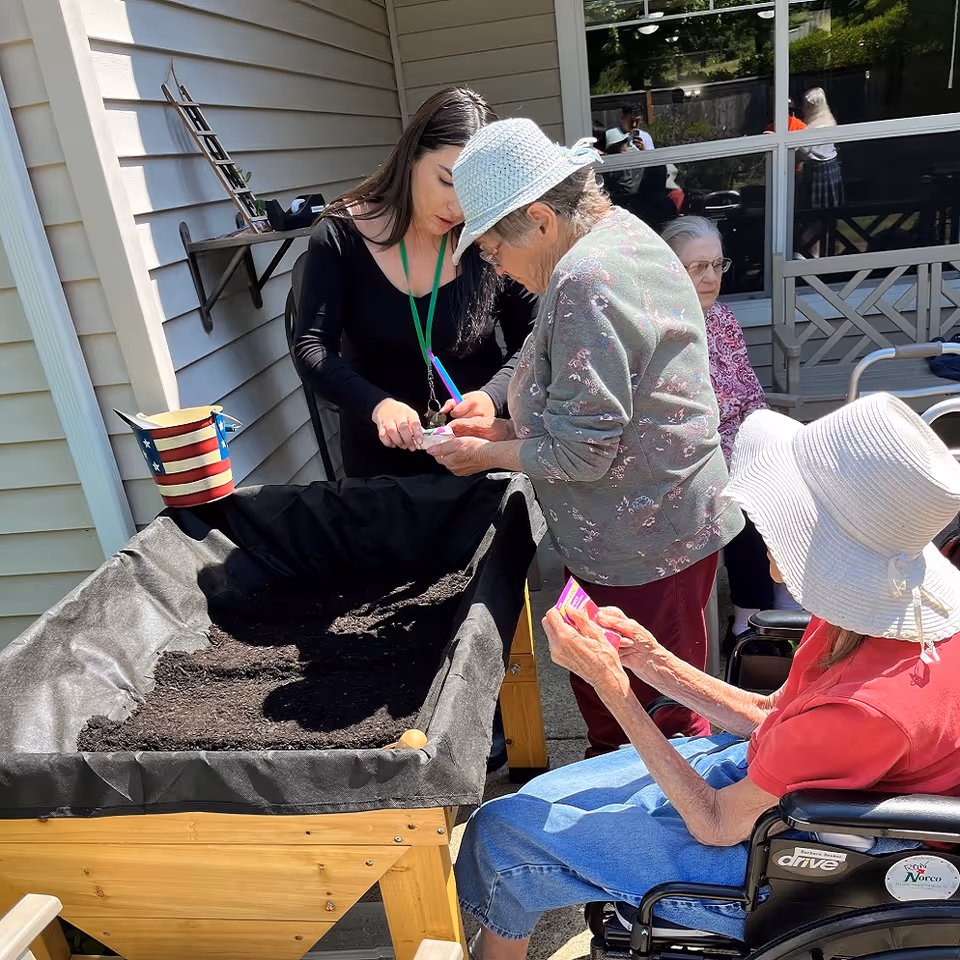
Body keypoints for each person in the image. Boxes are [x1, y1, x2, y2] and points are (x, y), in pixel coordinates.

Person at [456, 392, 960, 959]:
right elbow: (776, 717)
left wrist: (615, 692)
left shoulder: (869, 708)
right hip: (797, 789)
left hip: (809, 865)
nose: (761, 527)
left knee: (502, 834)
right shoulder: (881, 607)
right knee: (540, 799)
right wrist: (653, 661)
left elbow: (718, 825)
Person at [429, 118, 744, 754]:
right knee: (640, 693)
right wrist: (496, 409)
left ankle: (659, 840)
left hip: (642, 537)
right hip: (654, 520)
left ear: (541, 219)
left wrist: (487, 453)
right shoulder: (613, 235)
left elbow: (581, 451)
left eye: (493, 250)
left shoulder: (585, 280)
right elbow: (556, 362)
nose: (496, 268)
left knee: (649, 713)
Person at [293, 87, 535, 478]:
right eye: (446, 180)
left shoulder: (490, 234)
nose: (458, 208)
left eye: (474, 192)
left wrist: (492, 397)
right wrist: (378, 405)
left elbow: (534, 336)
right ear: (411, 156)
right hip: (379, 465)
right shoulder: (342, 235)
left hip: (479, 453)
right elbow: (312, 348)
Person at [661, 217, 796, 640]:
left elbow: (750, 391)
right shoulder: (658, 330)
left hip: (741, 440)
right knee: (749, 495)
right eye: (697, 267)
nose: (711, 277)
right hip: (695, 453)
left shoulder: (722, 318)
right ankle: (750, 620)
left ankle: (789, 598)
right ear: (667, 267)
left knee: (802, 474)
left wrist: (770, 437)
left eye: (718, 265)